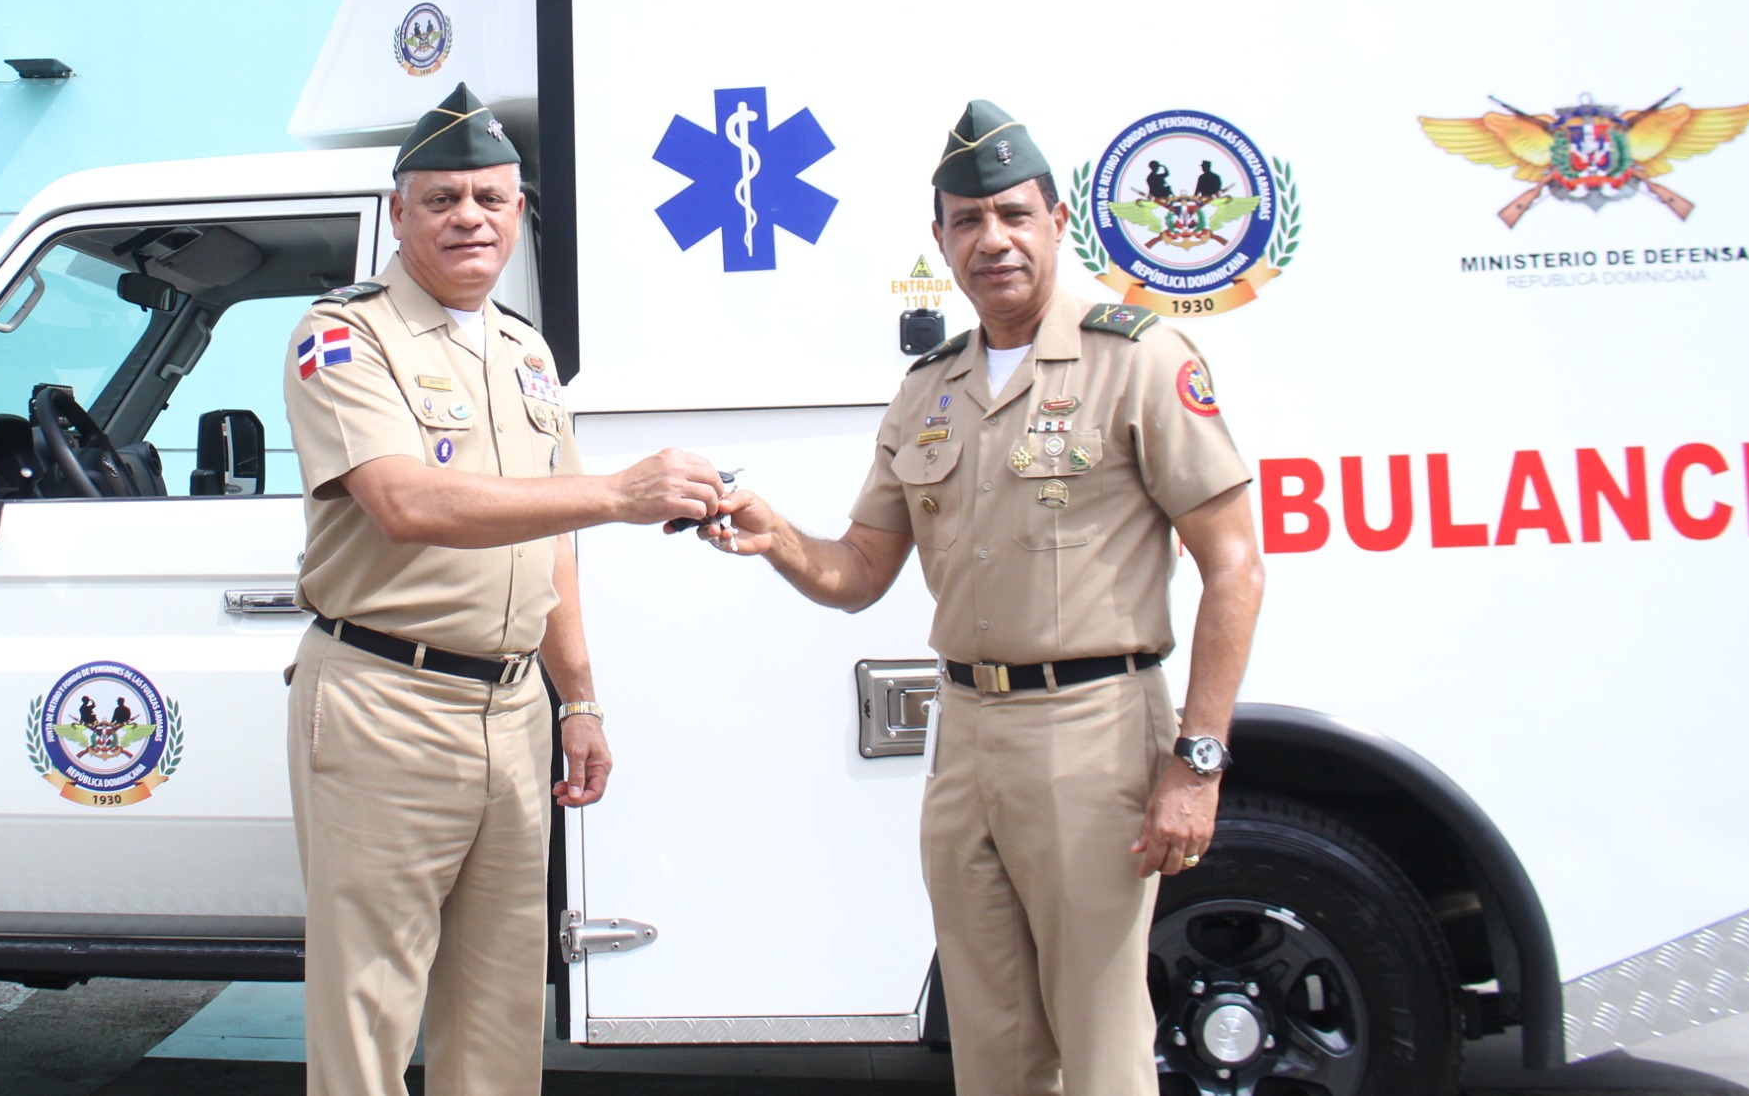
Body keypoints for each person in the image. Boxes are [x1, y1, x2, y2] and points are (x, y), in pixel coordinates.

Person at [700, 99, 1265, 1096]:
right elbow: (859, 570)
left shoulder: (1136, 358)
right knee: (993, 1048)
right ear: (941, 240)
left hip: (1093, 731)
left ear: (1057, 221)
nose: (992, 240)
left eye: (1012, 214)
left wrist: (1197, 763)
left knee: (1101, 1046)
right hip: (963, 735)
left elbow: (1234, 566)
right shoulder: (928, 389)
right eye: (968, 221)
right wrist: (773, 533)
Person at [282, 81, 727, 1096]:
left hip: (514, 707)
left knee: (499, 1003)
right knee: (367, 1005)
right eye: (442, 199)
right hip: (388, 699)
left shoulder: (524, 347)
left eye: (490, 197)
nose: (469, 217)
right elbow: (403, 501)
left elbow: (550, 535)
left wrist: (581, 700)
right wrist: (618, 491)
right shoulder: (344, 336)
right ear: (399, 213)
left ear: (519, 210)